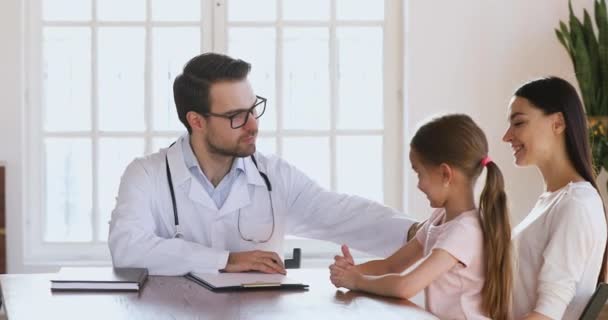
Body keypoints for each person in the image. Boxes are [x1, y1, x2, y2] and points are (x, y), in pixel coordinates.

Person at [108, 52, 415, 276]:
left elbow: (342, 214)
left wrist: (415, 232)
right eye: (236, 116)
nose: (253, 125)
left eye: (253, 109)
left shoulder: (274, 176)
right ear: (196, 121)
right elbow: (128, 249)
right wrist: (226, 259)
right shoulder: (146, 174)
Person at [329, 114, 512, 320]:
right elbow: (391, 265)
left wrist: (356, 281)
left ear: (445, 174)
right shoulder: (438, 219)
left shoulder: (464, 231)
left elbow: (405, 286)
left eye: (419, 173)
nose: (418, 184)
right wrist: (350, 273)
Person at [503, 77, 608, 320]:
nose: (507, 136)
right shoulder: (555, 199)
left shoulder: (576, 204)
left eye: (518, 123)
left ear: (558, 123)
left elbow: (546, 315)